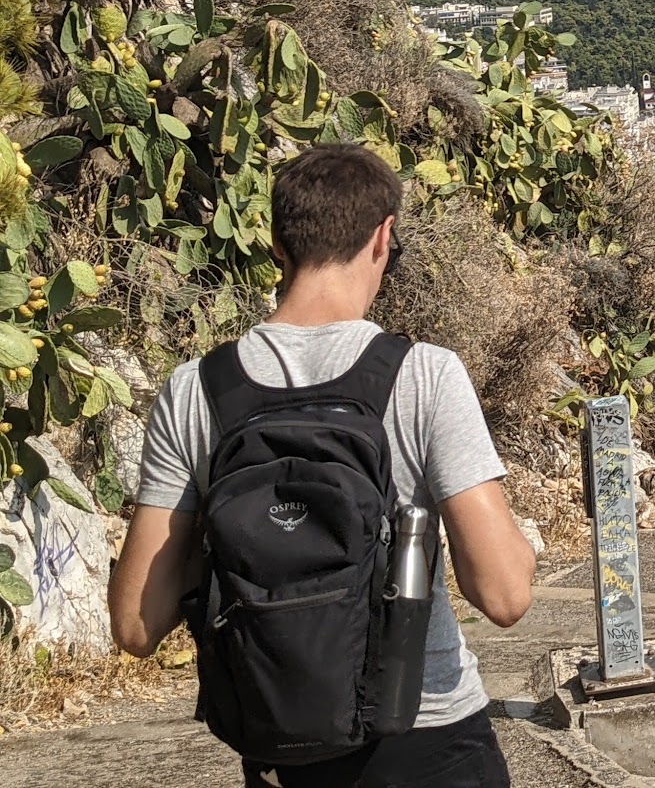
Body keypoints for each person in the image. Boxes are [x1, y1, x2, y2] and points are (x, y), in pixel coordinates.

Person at [109, 143, 539, 787]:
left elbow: (137, 625)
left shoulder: (194, 389)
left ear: (276, 246)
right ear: (383, 237)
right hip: (427, 739)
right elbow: (504, 595)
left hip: (279, 746)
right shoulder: (423, 374)